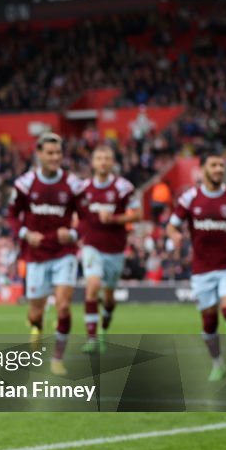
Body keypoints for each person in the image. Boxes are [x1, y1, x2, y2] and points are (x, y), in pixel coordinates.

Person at [166, 152, 226, 381]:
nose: (218, 170)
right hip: (202, 268)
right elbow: (172, 226)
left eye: (221, 166)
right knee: (209, 321)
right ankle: (218, 364)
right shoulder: (189, 198)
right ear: (202, 168)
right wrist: (174, 236)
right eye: (213, 165)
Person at [8, 132, 83, 375]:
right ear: (39, 154)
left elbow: (86, 218)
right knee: (35, 312)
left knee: (63, 306)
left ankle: (57, 358)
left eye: (58, 153)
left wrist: (72, 233)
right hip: (36, 254)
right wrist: (25, 234)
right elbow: (11, 216)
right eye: (49, 153)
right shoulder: (24, 184)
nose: (54, 157)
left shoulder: (73, 184)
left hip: (64, 252)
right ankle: (37, 327)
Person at [77, 146, 141, 352]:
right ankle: (92, 338)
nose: (103, 162)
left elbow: (138, 214)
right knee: (93, 286)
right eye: (99, 158)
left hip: (115, 248)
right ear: (93, 163)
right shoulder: (83, 188)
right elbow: (77, 214)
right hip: (92, 246)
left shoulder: (124, 187)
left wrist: (114, 218)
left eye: (107, 158)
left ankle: (106, 319)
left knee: (109, 297)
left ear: (113, 163)